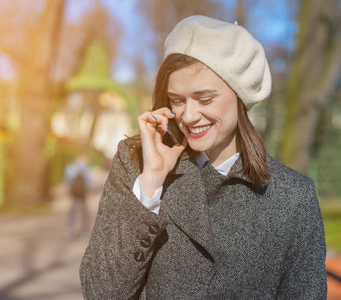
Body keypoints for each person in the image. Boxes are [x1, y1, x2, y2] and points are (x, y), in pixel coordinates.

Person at [80, 15, 327, 299]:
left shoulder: (292, 197)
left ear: (239, 96)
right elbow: (100, 291)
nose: (189, 115)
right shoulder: (136, 163)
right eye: (177, 100)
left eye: (205, 99)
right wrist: (151, 184)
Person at [64, 154, 92, 238]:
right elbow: (90, 181)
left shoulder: (69, 167)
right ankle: (83, 230)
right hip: (81, 193)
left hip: (75, 192)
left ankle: (72, 229)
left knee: (75, 210)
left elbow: (67, 180)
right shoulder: (86, 168)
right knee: (82, 211)